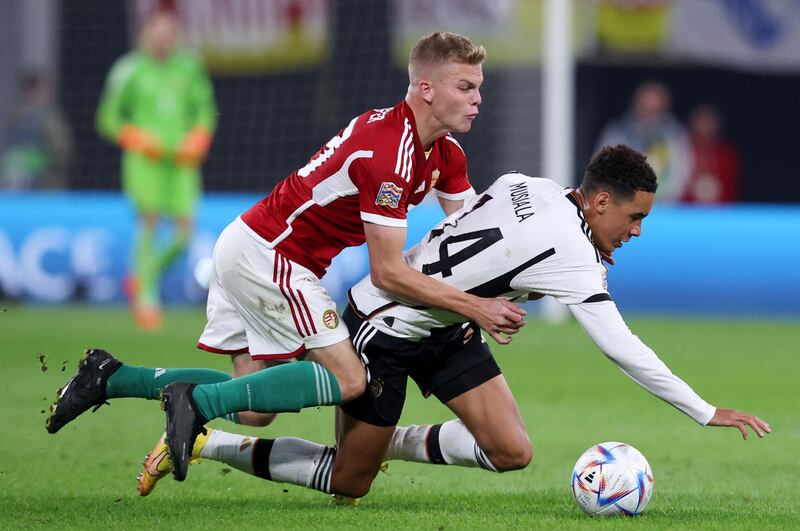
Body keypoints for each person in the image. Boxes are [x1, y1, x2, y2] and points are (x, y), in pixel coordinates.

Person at [137, 145, 769, 500]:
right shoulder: (575, 254)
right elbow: (620, 347)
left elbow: (466, 220)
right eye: (634, 219)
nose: (635, 233)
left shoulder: (533, 183)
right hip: (382, 328)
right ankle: (204, 440)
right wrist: (704, 410)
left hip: (444, 326)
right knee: (346, 485)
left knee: (511, 451)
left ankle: (387, 439)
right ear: (600, 202)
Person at [46, 31, 526, 484]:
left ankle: (111, 377)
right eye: (465, 86)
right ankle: (194, 404)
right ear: (426, 89)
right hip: (272, 255)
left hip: (249, 244)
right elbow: (387, 272)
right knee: (349, 378)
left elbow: (475, 234)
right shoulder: (388, 156)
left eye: (477, 87)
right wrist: (475, 308)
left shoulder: (445, 154)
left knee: (254, 408)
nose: (477, 98)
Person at [96, 9, 217, 330]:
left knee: (183, 233)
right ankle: (146, 298)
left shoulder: (189, 67)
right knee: (149, 222)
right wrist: (134, 136)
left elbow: (204, 109)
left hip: (181, 162)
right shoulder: (128, 69)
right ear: (145, 32)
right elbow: (107, 118)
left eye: (169, 31)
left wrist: (199, 136)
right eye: (157, 31)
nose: (163, 37)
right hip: (145, 160)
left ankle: (141, 276)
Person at [596, 81, 691, 202]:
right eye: (645, 108)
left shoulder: (675, 135)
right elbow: (602, 172)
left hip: (666, 209)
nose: (649, 116)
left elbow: (682, 173)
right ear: (635, 105)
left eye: (655, 111)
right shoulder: (617, 133)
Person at [0, 71, 73, 190]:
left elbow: (64, 152)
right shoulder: (45, 116)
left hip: (31, 182)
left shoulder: (12, 115)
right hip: (30, 183)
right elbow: (62, 149)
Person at [682, 104, 741, 203]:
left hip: (720, 211)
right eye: (702, 122)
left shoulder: (726, 155)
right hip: (687, 210)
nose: (705, 127)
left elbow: (733, 187)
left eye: (710, 123)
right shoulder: (683, 151)